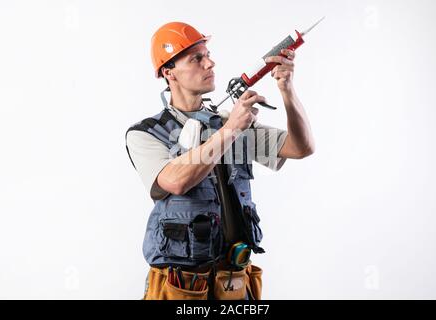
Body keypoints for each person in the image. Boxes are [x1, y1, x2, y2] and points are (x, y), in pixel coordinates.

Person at [125, 22, 315, 300]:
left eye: (208, 54)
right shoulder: (145, 134)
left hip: (234, 281)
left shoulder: (229, 121)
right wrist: (231, 130)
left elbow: (301, 147)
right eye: (196, 58)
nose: (210, 63)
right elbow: (175, 181)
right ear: (169, 72)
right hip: (181, 285)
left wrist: (286, 89)